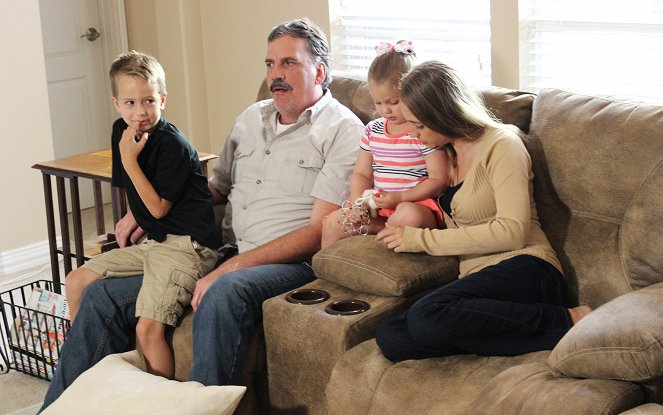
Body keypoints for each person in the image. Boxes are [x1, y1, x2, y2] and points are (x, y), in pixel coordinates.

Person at [40, 18, 363, 411]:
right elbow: (212, 189)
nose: (275, 75)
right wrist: (151, 212)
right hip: (227, 249)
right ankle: (56, 408)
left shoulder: (342, 131)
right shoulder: (251, 118)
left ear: (320, 71)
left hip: (292, 262)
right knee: (101, 294)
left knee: (223, 292)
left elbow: (317, 232)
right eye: (270, 64)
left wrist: (232, 268)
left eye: (288, 64)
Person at [374, 61, 592, 361]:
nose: (413, 134)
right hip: (479, 279)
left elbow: (513, 231)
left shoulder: (502, 144)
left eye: (420, 125)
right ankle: (500, 329)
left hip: (527, 268)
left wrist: (420, 239)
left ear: (444, 113)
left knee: (427, 317)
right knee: (391, 336)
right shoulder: (446, 155)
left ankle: (569, 320)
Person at [62, 50, 220, 379]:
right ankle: (88, 371)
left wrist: (130, 159)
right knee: (76, 281)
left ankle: (155, 400)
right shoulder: (122, 131)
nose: (140, 112)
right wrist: (130, 222)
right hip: (156, 243)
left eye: (148, 101)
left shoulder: (172, 145)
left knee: (148, 330)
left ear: (163, 99)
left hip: (187, 246)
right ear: (116, 103)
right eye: (130, 103)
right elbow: (132, 195)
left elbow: (158, 208)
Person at [321, 41, 448, 248]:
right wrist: (357, 205)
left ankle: (387, 230)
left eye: (393, 102)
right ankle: (324, 269)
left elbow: (439, 179)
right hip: (378, 206)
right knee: (333, 222)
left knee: (409, 215)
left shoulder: (423, 130)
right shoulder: (373, 130)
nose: (385, 111)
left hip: (415, 204)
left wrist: (401, 197)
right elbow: (361, 173)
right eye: (378, 103)